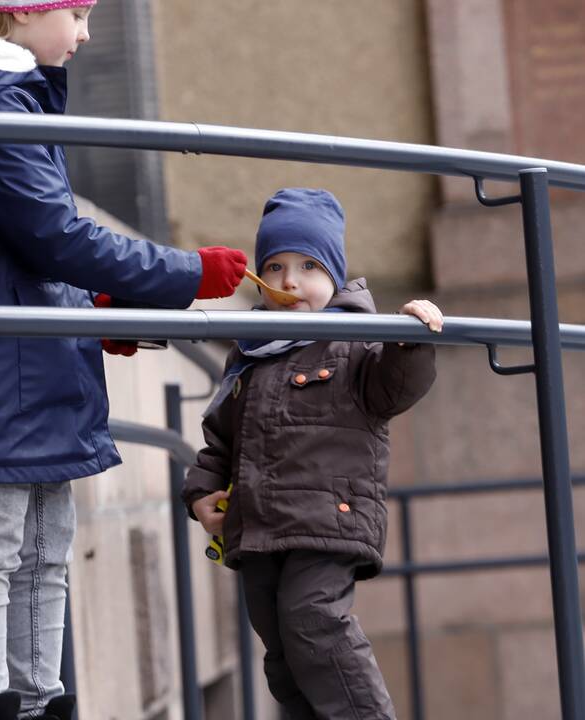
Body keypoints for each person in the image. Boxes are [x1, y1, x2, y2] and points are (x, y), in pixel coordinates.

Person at [0, 2, 247, 719]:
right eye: (74, 13)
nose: (83, 34)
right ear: (21, 11)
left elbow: (25, 239)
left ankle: (39, 701)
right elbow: (53, 232)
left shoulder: (2, 89)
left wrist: (95, 305)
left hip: (16, 355)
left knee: (45, 545)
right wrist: (181, 272)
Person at [182, 188, 443, 720]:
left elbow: (395, 388)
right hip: (259, 527)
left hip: (327, 519)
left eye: (308, 266)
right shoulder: (251, 351)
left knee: (314, 621)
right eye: (274, 267)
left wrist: (412, 338)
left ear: (336, 276)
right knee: (281, 653)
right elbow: (222, 438)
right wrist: (201, 493)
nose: (288, 282)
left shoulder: (354, 341)